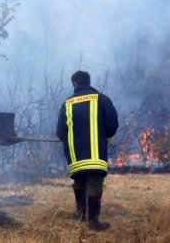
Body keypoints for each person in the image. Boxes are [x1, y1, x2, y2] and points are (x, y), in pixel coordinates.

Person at [56, 70, 119, 231]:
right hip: (96, 155)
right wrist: (106, 134)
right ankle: (93, 222)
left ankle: (81, 213)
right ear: (89, 82)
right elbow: (112, 125)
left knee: (79, 181)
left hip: (75, 157)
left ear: (74, 84)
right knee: (94, 183)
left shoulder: (67, 104)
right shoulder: (102, 100)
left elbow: (60, 132)